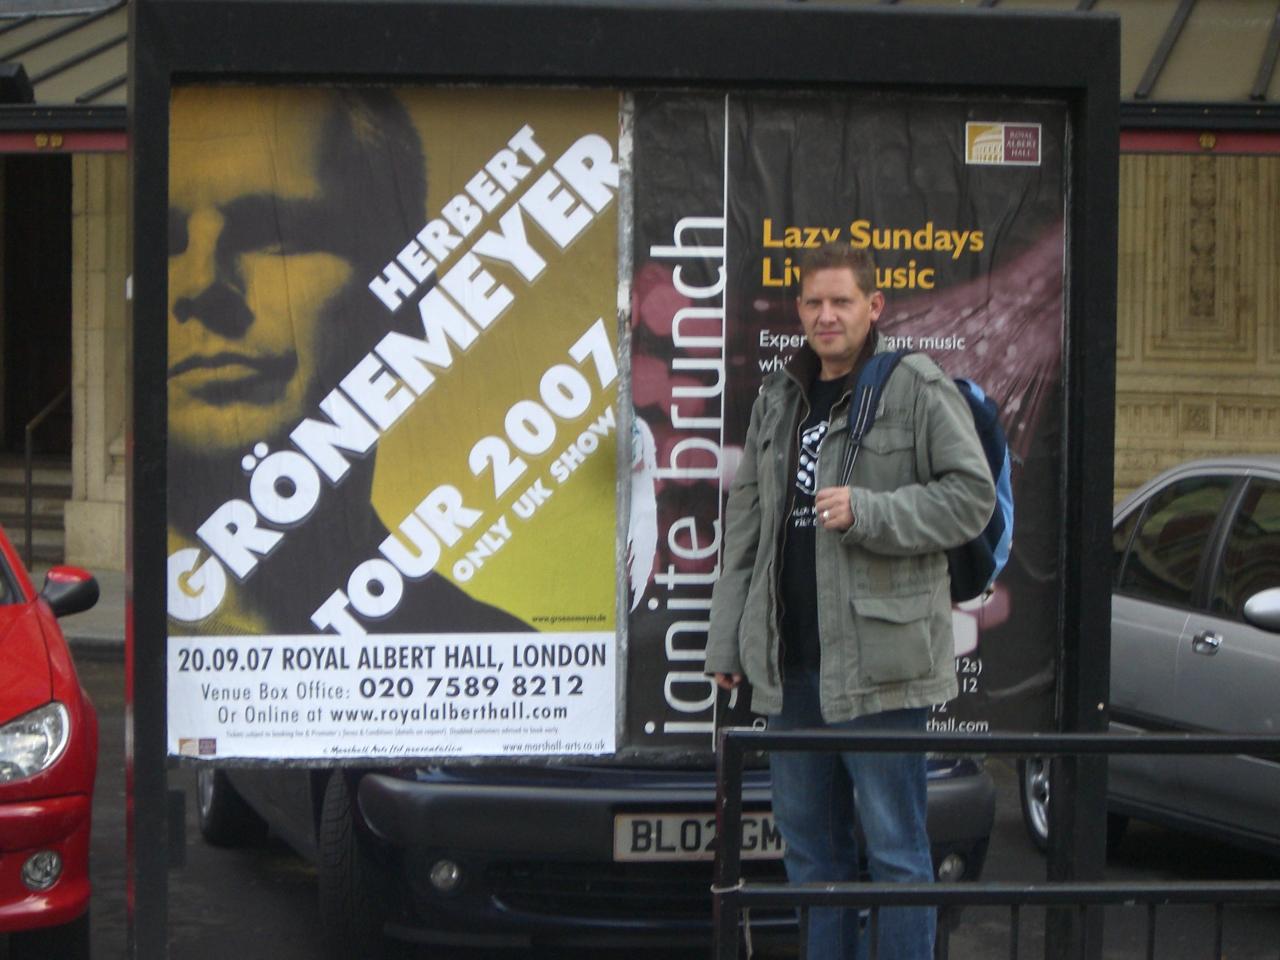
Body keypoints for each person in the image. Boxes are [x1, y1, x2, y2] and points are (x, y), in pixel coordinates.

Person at [705, 242, 995, 958]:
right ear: (799, 310)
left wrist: (870, 511)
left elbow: (971, 498)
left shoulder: (916, 386)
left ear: (875, 306)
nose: (826, 315)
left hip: (883, 667)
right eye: (813, 302)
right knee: (811, 856)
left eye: (841, 301)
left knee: (897, 854)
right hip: (792, 668)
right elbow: (746, 529)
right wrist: (727, 640)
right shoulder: (779, 396)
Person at [167, 86, 525, 636]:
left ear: (406, 298)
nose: (200, 284)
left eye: (273, 235)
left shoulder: (491, 651)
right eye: (166, 241)